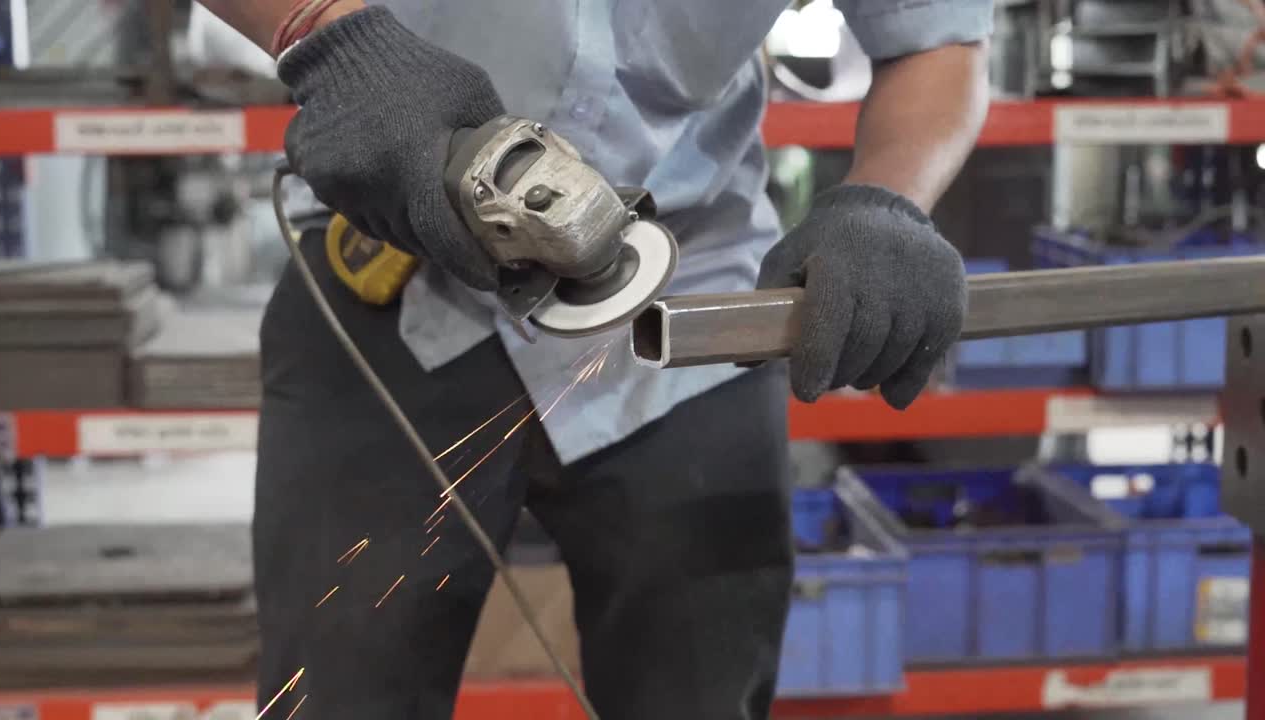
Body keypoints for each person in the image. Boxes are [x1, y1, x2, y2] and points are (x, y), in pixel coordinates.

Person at [198, 1, 992, 718]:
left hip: (692, 302)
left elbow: (938, 41)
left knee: (698, 693)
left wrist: (886, 200)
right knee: (338, 697)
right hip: (390, 278)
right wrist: (326, 29)